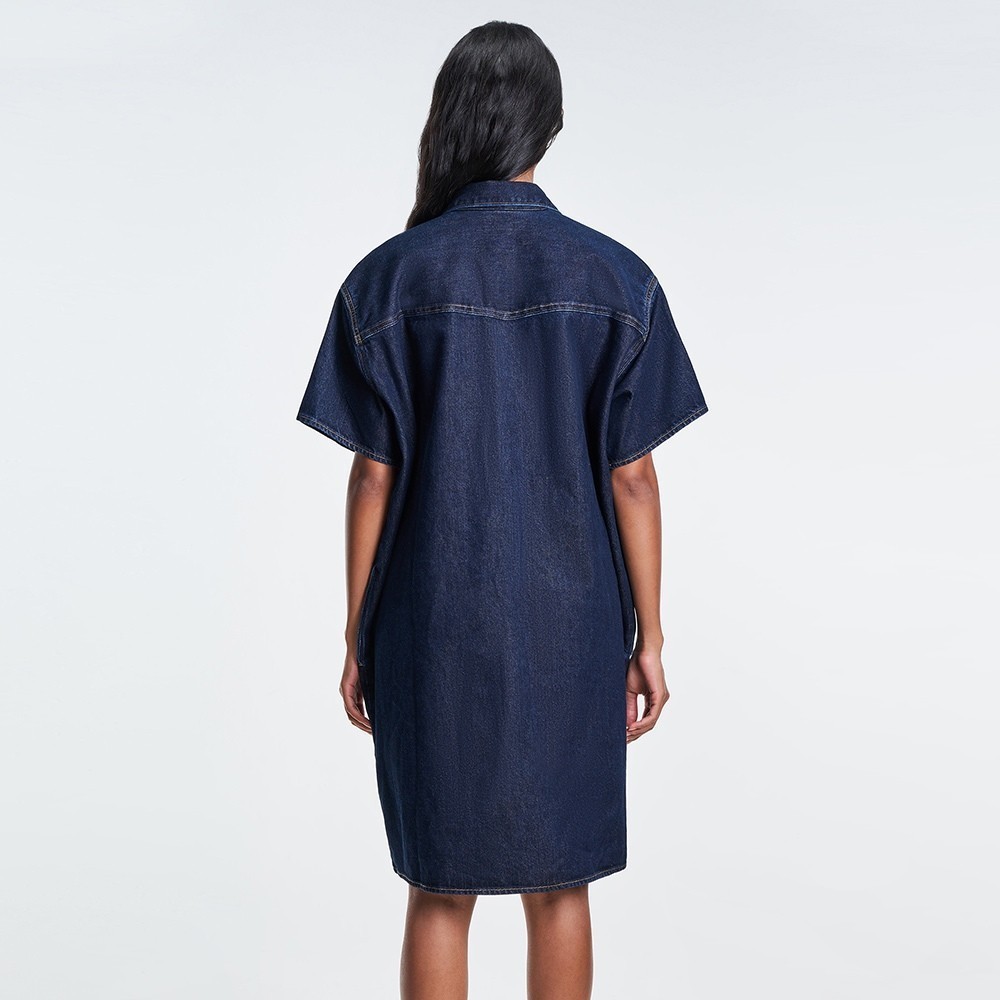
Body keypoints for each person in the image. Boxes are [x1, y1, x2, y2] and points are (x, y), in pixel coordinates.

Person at [296, 20, 709, 1000]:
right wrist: (650, 637)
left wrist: (357, 632)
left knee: (438, 887)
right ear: (547, 125)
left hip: (428, 623)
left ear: (449, 120)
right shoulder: (615, 277)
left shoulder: (387, 278)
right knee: (559, 882)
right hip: (573, 629)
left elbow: (372, 477)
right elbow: (634, 477)